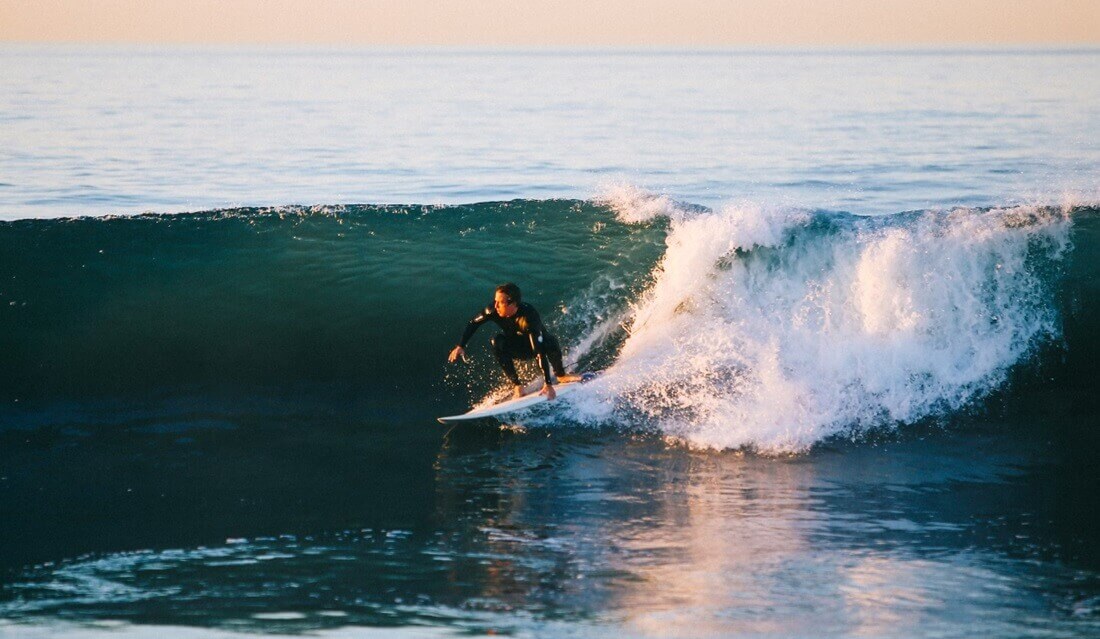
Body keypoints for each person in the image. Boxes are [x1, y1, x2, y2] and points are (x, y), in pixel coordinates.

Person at [448, 283, 579, 400]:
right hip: (517, 348)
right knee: (497, 341)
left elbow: (538, 352)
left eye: (500, 302)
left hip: (537, 347)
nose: (495, 306)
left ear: (512, 303)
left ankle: (561, 375)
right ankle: (517, 385)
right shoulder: (493, 310)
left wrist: (548, 383)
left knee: (550, 340)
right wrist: (461, 345)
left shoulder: (528, 317)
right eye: (495, 301)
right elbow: (473, 323)